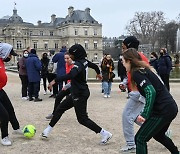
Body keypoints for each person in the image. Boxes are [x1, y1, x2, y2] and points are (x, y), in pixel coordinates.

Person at [41, 44, 112, 144]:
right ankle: (47, 130)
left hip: (80, 94)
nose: (70, 55)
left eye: (71, 54)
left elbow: (71, 75)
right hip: (78, 92)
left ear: (76, 54)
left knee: (82, 119)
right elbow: (95, 66)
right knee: (60, 108)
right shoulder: (84, 61)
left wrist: (55, 80)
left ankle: (105, 133)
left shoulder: (78, 64)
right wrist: (98, 73)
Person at [122, 48, 179, 154]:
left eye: (123, 61)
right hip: (170, 107)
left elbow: (150, 91)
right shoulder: (143, 69)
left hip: (163, 110)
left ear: (129, 61)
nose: (122, 64)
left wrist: (144, 114)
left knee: (140, 139)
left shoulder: (137, 73)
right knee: (159, 135)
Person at [119, 36, 149, 152]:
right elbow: (130, 75)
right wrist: (125, 83)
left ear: (129, 45)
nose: (122, 49)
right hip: (136, 92)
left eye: (123, 47)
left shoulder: (138, 57)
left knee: (127, 116)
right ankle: (161, 131)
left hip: (138, 93)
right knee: (135, 117)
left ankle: (131, 144)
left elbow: (143, 75)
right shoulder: (137, 57)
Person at [0, 43, 22, 146]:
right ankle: (4, 137)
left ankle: (16, 128)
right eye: (10, 54)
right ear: (4, 53)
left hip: (0, 90)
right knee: (4, 115)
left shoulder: (1, 61)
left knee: (10, 109)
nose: (11, 56)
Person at [45, 52, 74, 119]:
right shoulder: (66, 64)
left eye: (67, 58)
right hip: (69, 84)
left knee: (76, 100)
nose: (66, 60)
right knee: (58, 97)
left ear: (71, 58)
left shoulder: (75, 65)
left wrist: (66, 85)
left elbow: (72, 77)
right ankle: (54, 114)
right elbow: (66, 76)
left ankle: (83, 113)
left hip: (75, 85)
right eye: (65, 58)